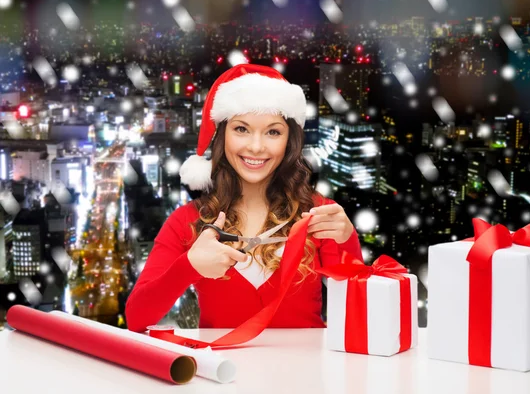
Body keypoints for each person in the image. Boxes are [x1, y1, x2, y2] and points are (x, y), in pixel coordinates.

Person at [125, 64, 362, 333]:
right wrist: (188, 267)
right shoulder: (187, 221)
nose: (256, 146)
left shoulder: (320, 215)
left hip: (307, 373)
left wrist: (347, 240)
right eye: (241, 129)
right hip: (220, 373)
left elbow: (360, 314)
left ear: (289, 141)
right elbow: (137, 317)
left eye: (273, 132)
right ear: (221, 135)